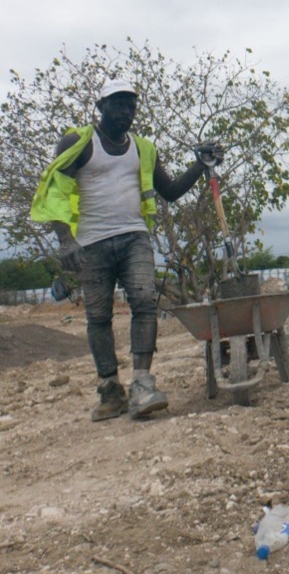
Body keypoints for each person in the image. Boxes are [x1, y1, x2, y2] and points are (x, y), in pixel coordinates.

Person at [31, 79, 224, 421]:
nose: (126, 112)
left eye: (132, 106)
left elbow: (171, 191)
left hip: (134, 235)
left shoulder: (143, 148)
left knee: (143, 301)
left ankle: (142, 384)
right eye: (119, 104)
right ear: (100, 105)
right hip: (91, 242)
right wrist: (65, 240)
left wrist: (200, 164)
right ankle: (109, 390)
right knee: (98, 316)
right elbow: (54, 191)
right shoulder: (78, 141)